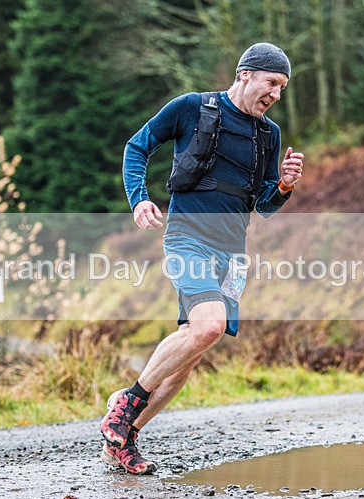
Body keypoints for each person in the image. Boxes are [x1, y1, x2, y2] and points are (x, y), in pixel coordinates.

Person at [99, 43, 304, 475]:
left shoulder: (270, 134)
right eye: (272, 83)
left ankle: (122, 437)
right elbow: (137, 147)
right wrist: (138, 200)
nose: (276, 95)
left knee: (190, 355)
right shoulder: (192, 108)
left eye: (282, 88)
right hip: (188, 238)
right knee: (208, 325)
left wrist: (283, 185)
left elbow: (263, 206)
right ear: (246, 74)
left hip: (232, 253)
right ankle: (127, 404)